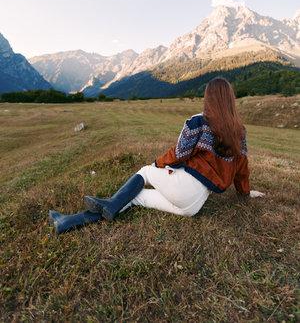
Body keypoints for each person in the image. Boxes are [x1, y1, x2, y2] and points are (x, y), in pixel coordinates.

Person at [49, 77, 265, 235]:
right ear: (230, 100)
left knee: (144, 172)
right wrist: (245, 194)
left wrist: (156, 164)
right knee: (136, 197)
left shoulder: (199, 121)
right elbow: (241, 170)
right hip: (194, 206)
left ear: (208, 98)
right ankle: (67, 222)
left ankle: (111, 204)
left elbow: (179, 153)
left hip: (185, 187)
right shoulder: (240, 132)